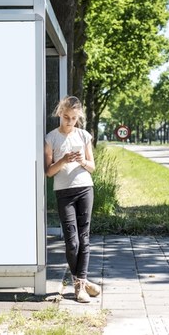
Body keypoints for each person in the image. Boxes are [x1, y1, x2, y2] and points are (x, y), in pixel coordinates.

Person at [44, 96, 101, 303]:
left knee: (84, 238)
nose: (69, 122)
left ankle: (80, 286)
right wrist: (63, 160)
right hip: (63, 192)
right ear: (60, 113)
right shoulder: (51, 138)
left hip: (85, 188)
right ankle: (83, 283)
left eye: (74, 118)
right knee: (72, 241)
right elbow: (49, 172)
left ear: (79, 117)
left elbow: (92, 167)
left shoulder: (84, 136)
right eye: (66, 117)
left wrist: (82, 160)